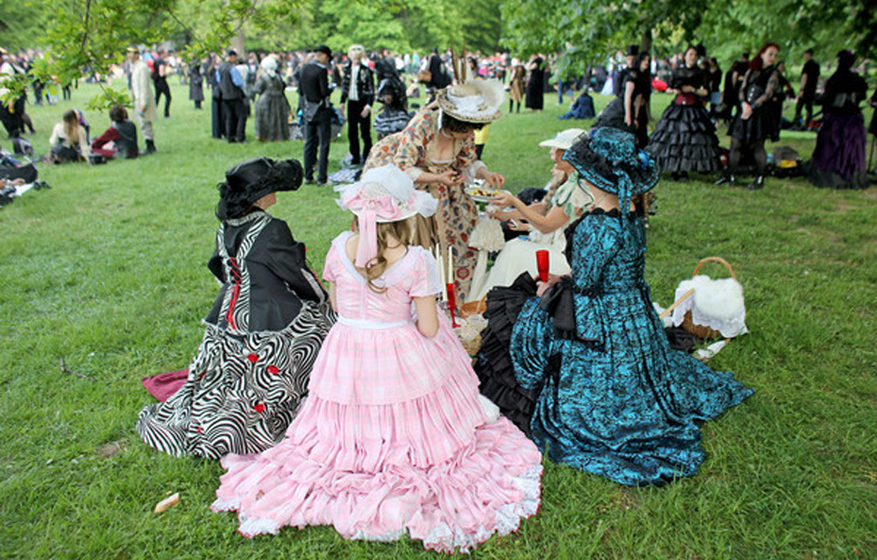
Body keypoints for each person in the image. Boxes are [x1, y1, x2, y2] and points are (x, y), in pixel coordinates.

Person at [210, 164, 542, 551]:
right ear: (403, 217)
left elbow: (337, 305)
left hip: (347, 347)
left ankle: (355, 451)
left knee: (351, 406)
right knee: (417, 387)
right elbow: (431, 329)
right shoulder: (417, 260)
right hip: (397, 348)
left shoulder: (338, 247)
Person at [482, 128, 753, 485]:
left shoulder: (597, 225)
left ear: (593, 178)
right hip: (633, 314)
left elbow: (587, 285)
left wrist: (551, 287)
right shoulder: (631, 216)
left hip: (600, 318)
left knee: (523, 316)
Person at [137, 158, 335, 459]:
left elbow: (218, 266)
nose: (276, 193)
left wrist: (237, 287)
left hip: (227, 319)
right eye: (272, 188)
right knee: (323, 327)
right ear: (259, 196)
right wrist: (322, 298)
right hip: (270, 321)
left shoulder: (226, 226)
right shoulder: (272, 228)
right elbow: (295, 272)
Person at [363, 78, 507, 305]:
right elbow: (402, 168)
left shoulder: (465, 136)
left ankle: (453, 303)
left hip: (447, 192)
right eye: (468, 128)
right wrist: (438, 177)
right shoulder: (423, 123)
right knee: (419, 251)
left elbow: (469, 162)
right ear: (454, 121)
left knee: (460, 242)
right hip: (412, 190)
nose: (471, 134)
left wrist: (486, 174)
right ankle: (419, 304)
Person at [472, 128, 592, 302]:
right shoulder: (567, 180)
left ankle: (495, 304)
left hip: (565, 255)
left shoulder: (576, 189)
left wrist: (514, 201)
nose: (552, 153)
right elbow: (543, 208)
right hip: (554, 244)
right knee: (514, 248)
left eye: (556, 149)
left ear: (569, 154)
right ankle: (493, 302)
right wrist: (505, 215)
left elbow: (547, 225)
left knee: (514, 250)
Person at [646, 45, 720, 180]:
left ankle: (685, 170)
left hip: (693, 108)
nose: (692, 57)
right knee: (674, 138)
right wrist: (676, 90)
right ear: (685, 56)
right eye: (690, 54)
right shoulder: (677, 71)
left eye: (695, 55)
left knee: (690, 139)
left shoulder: (700, 73)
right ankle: (674, 170)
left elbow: (706, 92)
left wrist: (693, 89)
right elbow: (669, 88)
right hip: (677, 107)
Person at [720, 43, 781, 190]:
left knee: (757, 146)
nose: (773, 57)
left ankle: (760, 178)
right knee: (735, 143)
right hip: (744, 110)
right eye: (770, 54)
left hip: (759, 114)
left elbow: (768, 94)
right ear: (762, 54)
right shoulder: (752, 70)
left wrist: (752, 107)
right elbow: (743, 89)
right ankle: (730, 175)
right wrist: (743, 104)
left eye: (775, 55)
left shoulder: (773, 73)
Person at [808, 50, 869, 189]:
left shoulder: (836, 79)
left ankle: (836, 174)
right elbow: (861, 96)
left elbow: (828, 99)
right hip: (850, 118)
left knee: (834, 145)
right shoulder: (856, 79)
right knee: (847, 146)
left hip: (838, 119)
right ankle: (847, 174)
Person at [593, 52, 652, 147]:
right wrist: (628, 115)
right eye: (644, 60)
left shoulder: (643, 76)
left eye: (648, 60)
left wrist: (636, 117)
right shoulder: (633, 75)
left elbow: (638, 99)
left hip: (631, 107)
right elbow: (627, 96)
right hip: (621, 106)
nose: (647, 62)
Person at [300, 46, 333, 185]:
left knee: (309, 142)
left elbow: (301, 90)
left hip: (308, 109)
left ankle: (308, 175)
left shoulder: (304, 68)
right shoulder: (321, 71)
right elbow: (324, 92)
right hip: (321, 110)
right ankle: (322, 177)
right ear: (324, 56)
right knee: (324, 143)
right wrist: (331, 88)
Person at [340, 44, 375, 165]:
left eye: (358, 58)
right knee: (352, 132)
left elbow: (371, 90)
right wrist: (342, 102)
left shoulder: (367, 71)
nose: (355, 60)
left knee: (365, 132)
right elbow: (344, 87)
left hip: (363, 103)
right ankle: (355, 156)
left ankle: (367, 156)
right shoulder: (347, 70)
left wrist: (368, 106)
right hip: (352, 103)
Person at [127, 47, 158, 154]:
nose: (129, 56)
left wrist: (143, 103)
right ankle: (148, 143)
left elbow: (144, 86)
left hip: (142, 99)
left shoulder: (142, 67)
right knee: (142, 122)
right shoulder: (135, 67)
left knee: (145, 122)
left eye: (131, 53)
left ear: (137, 54)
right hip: (137, 99)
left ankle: (150, 145)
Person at [252, 56, 290, 142]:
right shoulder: (278, 77)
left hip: (266, 100)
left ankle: (265, 136)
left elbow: (257, 89)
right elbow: (283, 87)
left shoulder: (263, 77)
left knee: (266, 118)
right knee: (278, 118)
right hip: (279, 99)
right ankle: (280, 136)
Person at [217, 50, 247, 143]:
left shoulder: (220, 68)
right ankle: (240, 137)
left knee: (229, 116)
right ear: (232, 57)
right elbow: (238, 82)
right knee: (241, 116)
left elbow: (218, 80)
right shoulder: (232, 69)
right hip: (235, 95)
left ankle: (230, 136)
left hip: (225, 95)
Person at [793, 49, 820, 130]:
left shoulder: (807, 65)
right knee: (809, 107)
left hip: (806, 89)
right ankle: (807, 122)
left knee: (799, 106)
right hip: (812, 89)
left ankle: (798, 121)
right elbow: (818, 77)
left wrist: (802, 89)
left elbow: (805, 77)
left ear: (808, 55)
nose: (804, 56)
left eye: (805, 54)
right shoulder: (816, 65)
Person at [152, 49, 171, 118]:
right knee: (168, 97)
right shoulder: (162, 61)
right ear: (162, 53)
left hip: (156, 81)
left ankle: (152, 113)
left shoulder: (155, 60)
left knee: (157, 98)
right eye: (166, 52)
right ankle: (166, 114)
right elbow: (161, 73)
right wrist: (168, 72)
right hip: (162, 81)